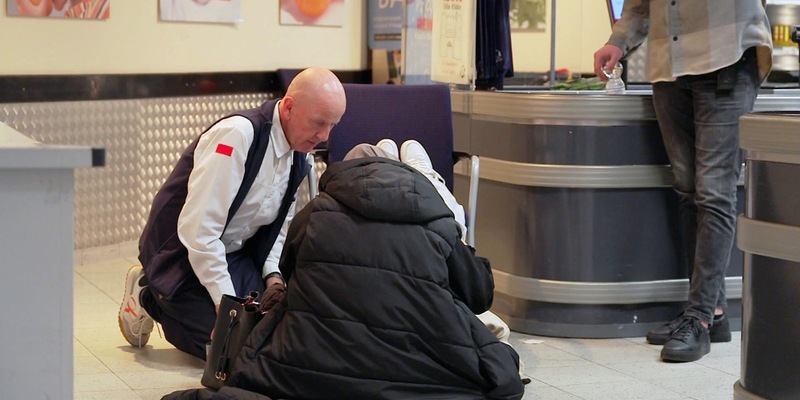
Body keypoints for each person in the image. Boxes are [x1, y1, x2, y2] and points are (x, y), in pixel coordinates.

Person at [214, 142, 525, 399]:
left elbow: (291, 273)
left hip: (309, 366)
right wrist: (458, 242)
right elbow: (479, 296)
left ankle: (382, 157)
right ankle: (426, 173)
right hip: (420, 368)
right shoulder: (437, 224)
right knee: (496, 347)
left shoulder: (314, 214)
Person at [118, 67, 347, 359]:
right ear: (289, 107)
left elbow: (278, 228)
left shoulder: (299, 157)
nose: (324, 136)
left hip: (234, 254)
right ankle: (147, 292)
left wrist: (273, 277)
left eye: (333, 125)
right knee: (229, 347)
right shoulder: (238, 135)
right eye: (318, 123)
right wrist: (224, 305)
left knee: (274, 329)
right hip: (180, 254)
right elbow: (199, 231)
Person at [593, 0, 772, 362]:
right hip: (668, 68)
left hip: (727, 58)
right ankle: (714, 313)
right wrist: (617, 41)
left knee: (713, 194)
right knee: (689, 190)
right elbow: (640, 7)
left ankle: (700, 318)